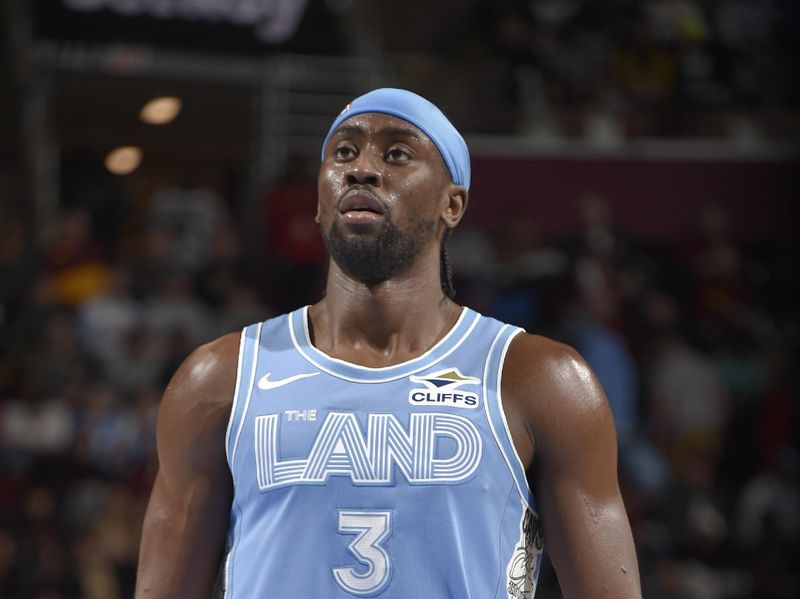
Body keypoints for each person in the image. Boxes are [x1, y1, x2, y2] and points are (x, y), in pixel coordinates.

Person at [135, 88, 642, 598]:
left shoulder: (540, 379)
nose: (363, 169)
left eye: (397, 154)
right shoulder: (220, 377)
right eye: (344, 153)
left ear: (452, 203)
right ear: (318, 200)